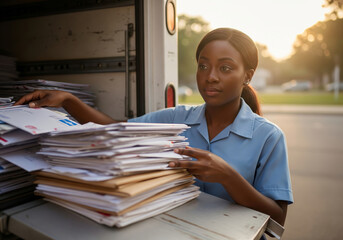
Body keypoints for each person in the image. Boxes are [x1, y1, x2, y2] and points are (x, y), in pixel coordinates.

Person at [15, 28, 293, 229]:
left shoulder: (269, 137)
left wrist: (229, 176)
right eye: (203, 65)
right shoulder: (176, 118)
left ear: (247, 75)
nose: (210, 77)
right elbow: (117, 129)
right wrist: (68, 101)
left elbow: (277, 217)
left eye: (225, 68)